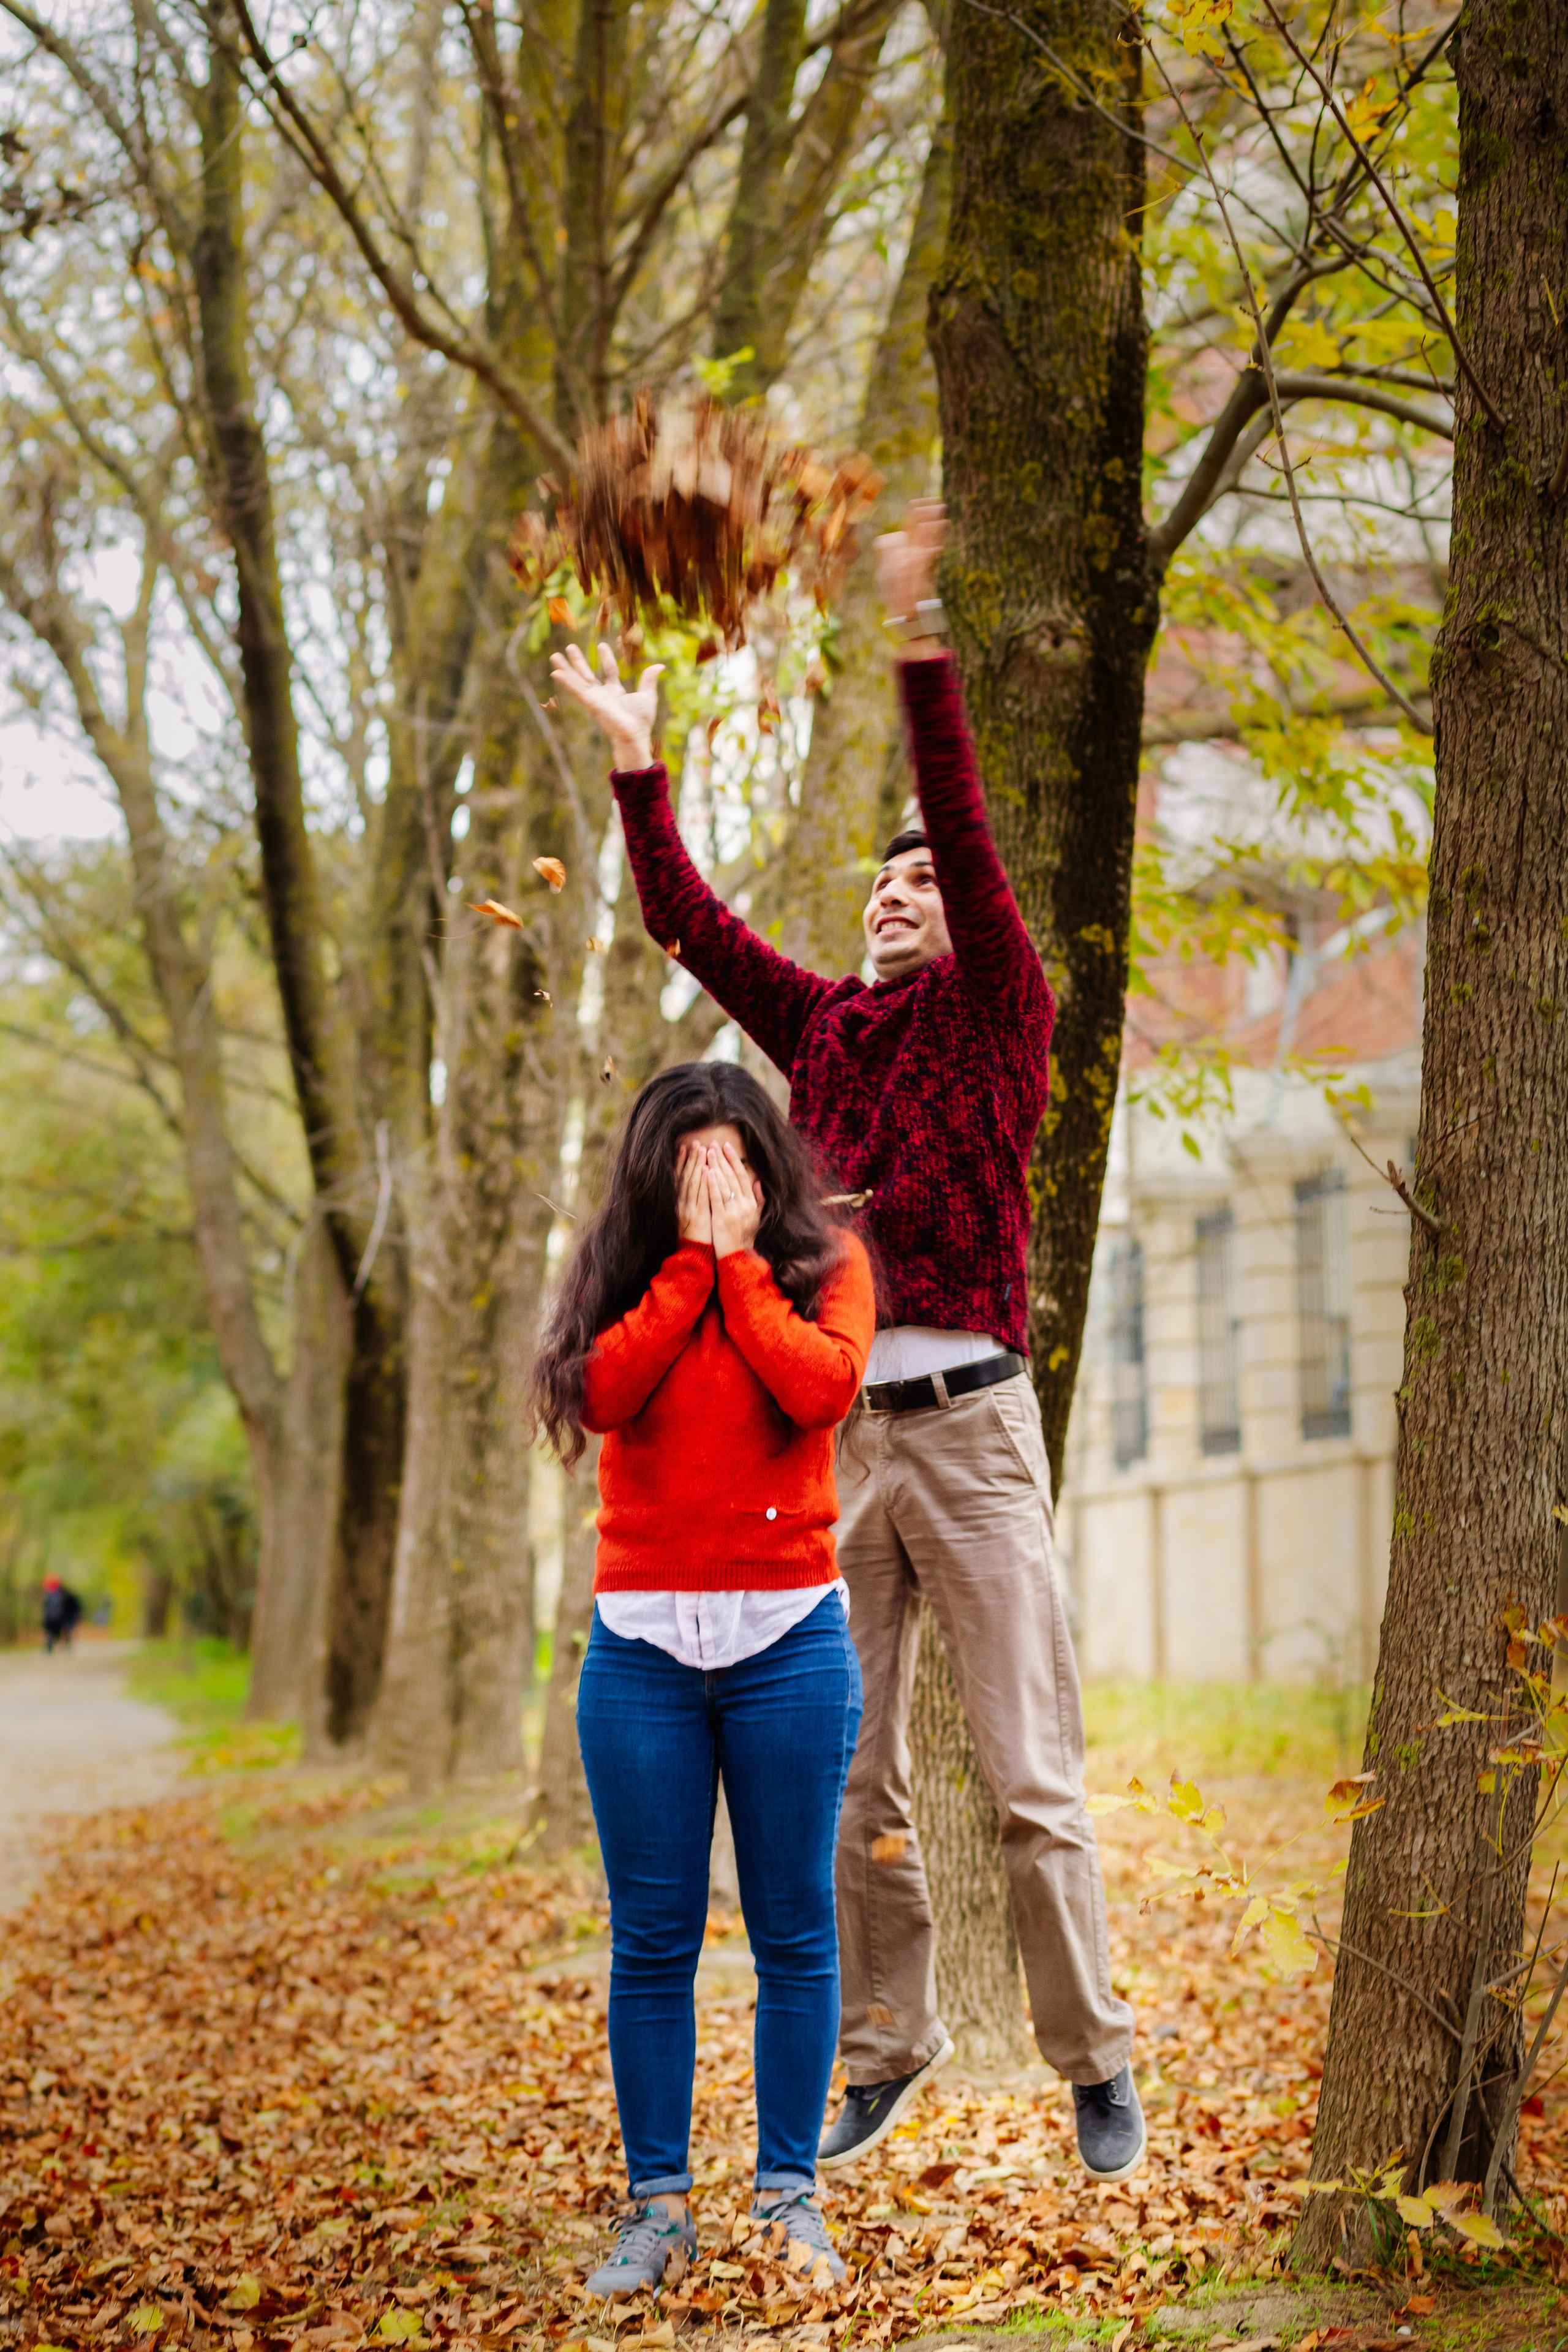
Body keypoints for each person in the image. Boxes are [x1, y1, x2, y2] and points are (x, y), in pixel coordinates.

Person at [549, 499, 1142, 2186]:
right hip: (835, 1447)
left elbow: (959, 820)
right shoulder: (818, 1033)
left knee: (1029, 1779)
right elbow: (690, 926)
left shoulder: (999, 1014)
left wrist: (914, 639)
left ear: (961, 914)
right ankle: (888, 2042)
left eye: (919, 882)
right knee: (845, 1786)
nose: (896, 894)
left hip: (971, 1426)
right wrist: (639, 768)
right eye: (879, 883)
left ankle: (1093, 2055)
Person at [530, 1061, 876, 2294]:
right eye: (690, 1169)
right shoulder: (621, 1271)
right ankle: (658, 2209)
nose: (716, 1188)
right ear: (653, 1177)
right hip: (641, 1650)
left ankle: (788, 2196)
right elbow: (604, 1393)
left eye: (732, 1164)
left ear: (770, 1167)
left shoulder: (827, 1265)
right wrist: (688, 1263)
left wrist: (739, 1268)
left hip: (789, 1637)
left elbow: (819, 1389)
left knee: (793, 1930)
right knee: (651, 1941)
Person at [40, 1574, 83, 1653]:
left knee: (51, 1633)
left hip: (52, 1619)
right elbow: (75, 1607)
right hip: (62, 1618)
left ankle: (51, 1648)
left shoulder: (49, 1596)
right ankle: (66, 1647)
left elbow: (46, 1608)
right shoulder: (66, 1594)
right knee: (65, 1632)